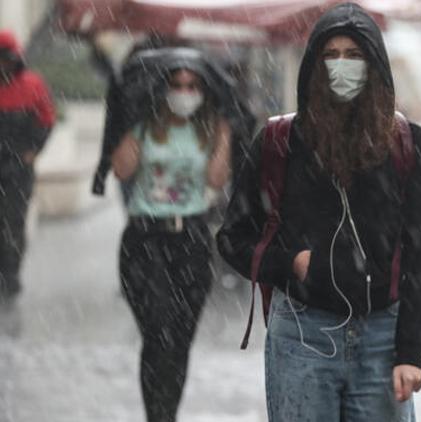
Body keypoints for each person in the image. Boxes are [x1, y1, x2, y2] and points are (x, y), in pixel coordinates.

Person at [217, 3, 421, 421]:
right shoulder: (280, 141)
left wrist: (411, 351)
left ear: (375, 65)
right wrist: (291, 264)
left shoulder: (407, 145)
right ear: (313, 65)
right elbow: (232, 238)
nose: (341, 66)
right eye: (330, 55)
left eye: (354, 55)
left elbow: (420, 257)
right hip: (302, 334)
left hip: (381, 336)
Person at [110, 49, 231, 422]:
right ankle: (157, 416)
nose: (184, 92)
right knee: (158, 333)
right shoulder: (145, 125)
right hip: (145, 241)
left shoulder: (208, 129)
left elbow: (215, 180)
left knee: (180, 342)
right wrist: (133, 122)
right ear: (163, 88)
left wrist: (225, 133)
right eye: (176, 84)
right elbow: (121, 169)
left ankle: (167, 414)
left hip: (191, 240)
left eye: (192, 85)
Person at [0, 30, 55, 301]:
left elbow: (46, 120)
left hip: (18, 167)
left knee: (12, 222)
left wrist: (34, 151)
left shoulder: (32, 85)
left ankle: (10, 275)